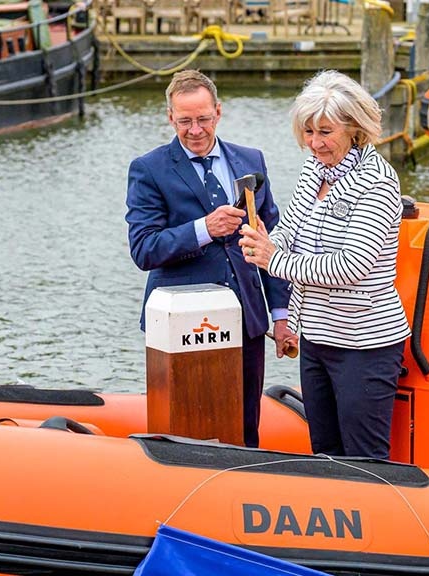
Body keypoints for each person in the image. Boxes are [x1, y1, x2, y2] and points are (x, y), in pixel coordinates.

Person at [239, 70, 411, 459]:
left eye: (325, 132)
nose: (314, 143)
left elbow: (353, 265)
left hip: (364, 344)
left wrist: (274, 259)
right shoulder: (314, 170)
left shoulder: (378, 182)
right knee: (325, 452)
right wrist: (266, 241)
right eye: (308, 132)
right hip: (317, 337)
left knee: (364, 457)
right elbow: (291, 229)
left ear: (354, 128)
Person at [125, 69, 294, 448]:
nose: (195, 130)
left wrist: (281, 316)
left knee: (246, 427)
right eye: (185, 121)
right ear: (170, 117)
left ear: (218, 111)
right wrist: (204, 228)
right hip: (181, 325)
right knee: (185, 431)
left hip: (247, 318)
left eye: (203, 119)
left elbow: (272, 242)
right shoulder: (149, 169)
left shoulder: (251, 160)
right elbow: (144, 248)